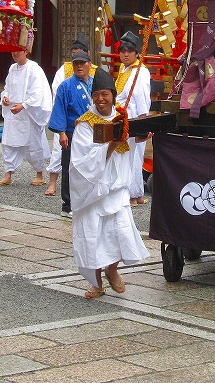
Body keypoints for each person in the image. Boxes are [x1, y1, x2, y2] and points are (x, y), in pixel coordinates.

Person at [69, 68, 150, 298]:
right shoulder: (85, 124)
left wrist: (139, 136)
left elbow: (128, 148)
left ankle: (112, 269)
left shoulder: (121, 119)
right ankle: (96, 282)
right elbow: (82, 162)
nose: (100, 99)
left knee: (117, 235)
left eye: (105, 94)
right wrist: (112, 143)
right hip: (93, 192)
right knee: (92, 237)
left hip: (117, 190)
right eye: (96, 95)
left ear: (113, 95)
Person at [47, 34, 97, 196]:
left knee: (90, 165)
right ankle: (68, 203)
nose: (79, 66)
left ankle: (87, 198)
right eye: (76, 63)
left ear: (89, 63)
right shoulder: (65, 85)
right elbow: (59, 107)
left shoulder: (96, 81)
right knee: (69, 166)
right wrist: (62, 133)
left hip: (92, 131)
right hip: (71, 130)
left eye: (82, 62)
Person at [0, 48, 52, 187]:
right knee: (8, 143)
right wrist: (5, 97)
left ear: (26, 51)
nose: (15, 54)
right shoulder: (12, 68)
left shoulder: (34, 68)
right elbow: (7, 87)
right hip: (12, 112)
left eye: (18, 51)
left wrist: (24, 105)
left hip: (28, 113)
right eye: (13, 51)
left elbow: (38, 91)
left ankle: (39, 174)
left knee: (32, 143)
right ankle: (8, 174)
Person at [115, 31, 151, 207]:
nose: (126, 54)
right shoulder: (124, 68)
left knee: (133, 158)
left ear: (137, 53)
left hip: (135, 118)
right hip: (122, 117)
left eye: (129, 51)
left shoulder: (140, 72)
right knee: (129, 157)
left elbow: (143, 98)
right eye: (123, 51)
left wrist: (143, 123)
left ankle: (132, 194)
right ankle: (136, 194)